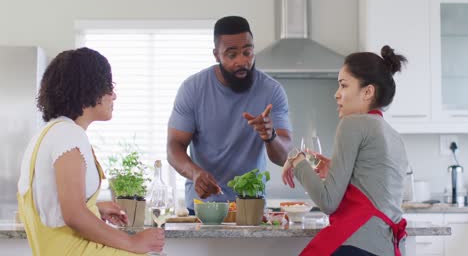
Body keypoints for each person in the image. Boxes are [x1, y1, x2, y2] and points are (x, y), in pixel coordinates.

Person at [17, 47, 164, 255]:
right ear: (89, 89)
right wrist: (133, 242)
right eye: (108, 86)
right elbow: (73, 215)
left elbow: (52, 206)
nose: (114, 95)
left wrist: (96, 209)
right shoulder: (68, 135)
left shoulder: (48, 134)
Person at [282, 45, 409, 256]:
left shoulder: (353, 124)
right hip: (387, 247)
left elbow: (327, 201)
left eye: (343, 85)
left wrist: (296, 158)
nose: (336, 94)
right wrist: (335, 169)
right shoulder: (393, 135)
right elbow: (376, 188)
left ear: (367, 91)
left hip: (359, 245)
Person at [167, 16, 292, 213]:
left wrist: (271, 136)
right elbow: (174, 147)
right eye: (232, 55)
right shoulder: (193, 89)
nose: (242, 61)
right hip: (203, 208)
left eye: (247, 52)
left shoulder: (272, 91)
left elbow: (284, 157)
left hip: (251, 207)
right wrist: (195, 173)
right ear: (216, 55)